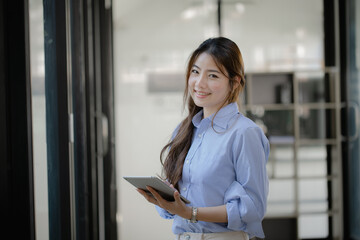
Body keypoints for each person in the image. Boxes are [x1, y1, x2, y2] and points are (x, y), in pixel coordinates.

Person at [137, 37, 269, 240]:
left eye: (213, 75)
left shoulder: (244, 133)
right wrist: (167, 200)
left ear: (234, 83)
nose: (199, 83)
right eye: (195, 72)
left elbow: (252, 208)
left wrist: (190, 213)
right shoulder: (185, 130)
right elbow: (178, 208)